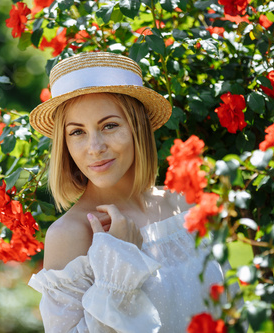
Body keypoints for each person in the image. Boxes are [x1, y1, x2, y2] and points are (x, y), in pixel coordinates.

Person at [28, 51, 226, 332]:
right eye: (77, 132)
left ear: (138, 128)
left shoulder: (182, 203)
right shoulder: (70, 235)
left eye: (109, 126)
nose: (94, 147)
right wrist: (119, 262)